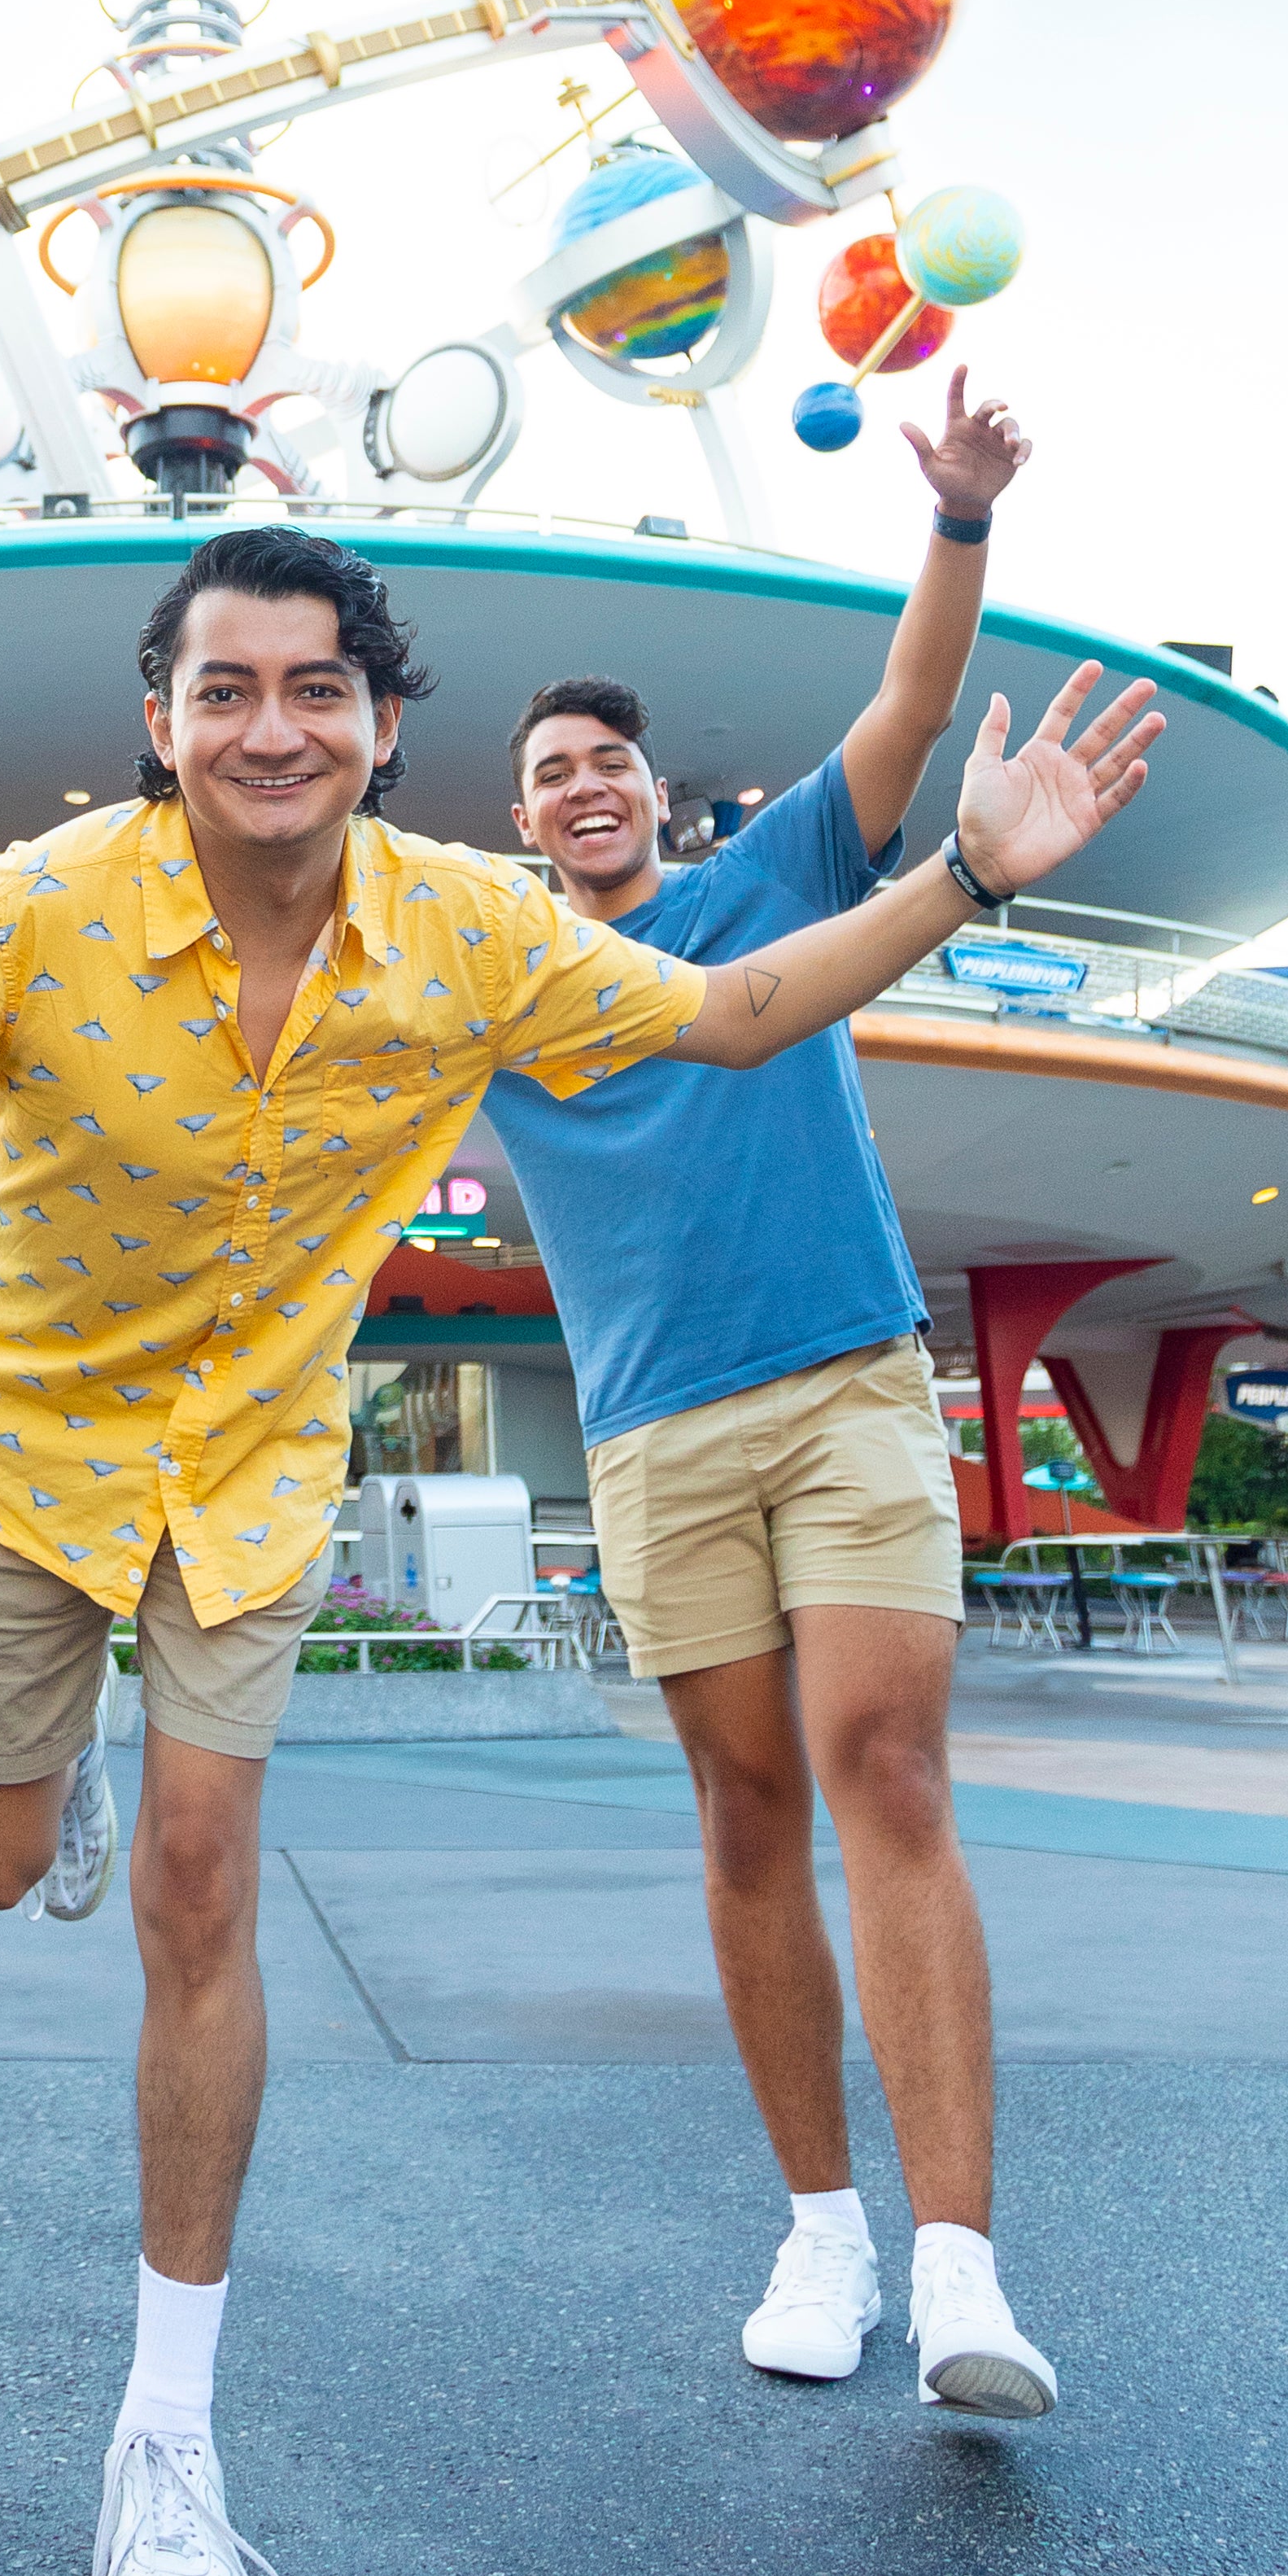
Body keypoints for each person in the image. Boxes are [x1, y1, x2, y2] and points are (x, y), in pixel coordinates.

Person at [0, 517, 1158, 2576]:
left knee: (205, 1875)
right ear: (162, 722)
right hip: (26, 1456)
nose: (268, 724)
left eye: (314, 686)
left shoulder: (469, 932)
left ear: (380, 722)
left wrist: (971, 876)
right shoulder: (43, 903)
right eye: (222, 688)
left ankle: (167, 2455)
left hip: (243, 1484)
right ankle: (29, 1813)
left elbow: (737, 1008)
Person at [491, 362, 1094, 2422]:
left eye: (603, 760)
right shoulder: (502, 999)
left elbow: (909, 718)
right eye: (545, 770)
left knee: (883, 1771)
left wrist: (955, 518)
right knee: (746, 1815)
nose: (578, 785)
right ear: (516, 823)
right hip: (655, 1437)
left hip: (842, 1389)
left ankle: (954, 2269)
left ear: (653, 796)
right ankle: (818, 2223)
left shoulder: (771, 882)